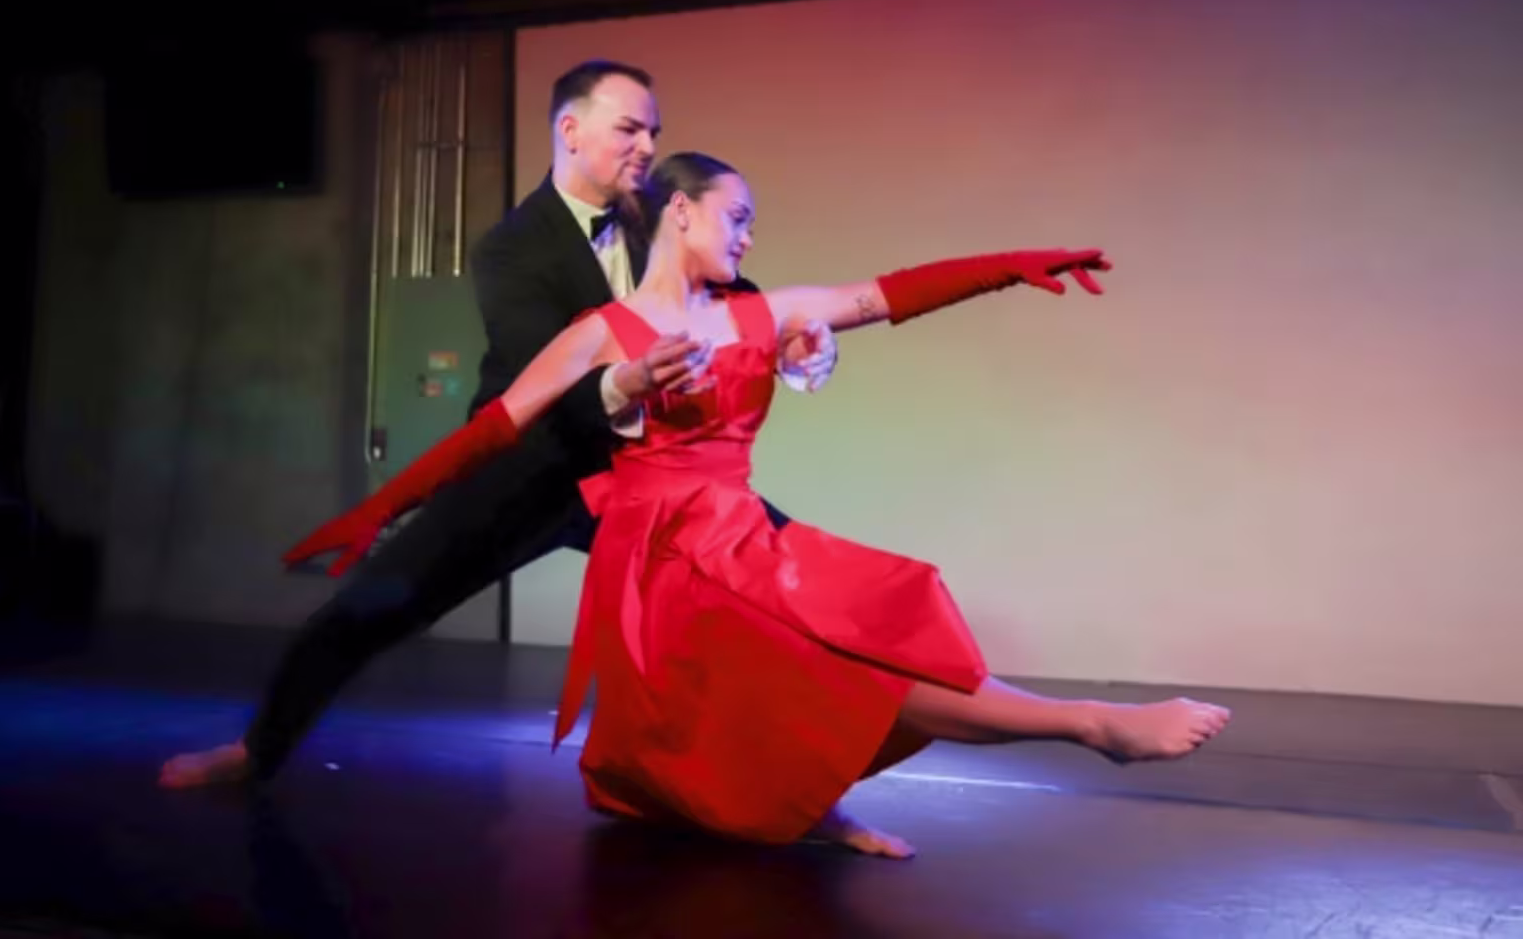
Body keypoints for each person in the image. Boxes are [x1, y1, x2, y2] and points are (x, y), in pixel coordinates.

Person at [281, 151, 1232, 857]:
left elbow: (881, 297)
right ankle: (1090, 725)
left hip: (737, 531)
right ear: (680, 211)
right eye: (736, 217)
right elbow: (493, 432)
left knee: (873, 630)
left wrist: (1014, 265)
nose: (746, 237)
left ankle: (822, 801)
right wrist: (380, 511)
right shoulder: (600, 332)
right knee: (836, 664)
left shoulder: (755, 314)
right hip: (664, 553)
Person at [160, 61, 838, 789]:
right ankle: (257, 751)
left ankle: (810, 784)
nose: (647, 146)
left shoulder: (665, 217)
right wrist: (626, 381)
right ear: (570, 131)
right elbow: (543, 385)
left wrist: (792, 346)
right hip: (531, 466)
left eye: (653, 132)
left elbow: (740, 306)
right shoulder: (514, 247)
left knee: (789, 579)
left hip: (645, 474)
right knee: (379, 601)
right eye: (629, 129)